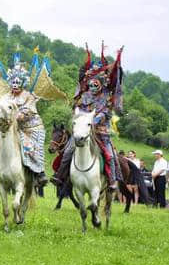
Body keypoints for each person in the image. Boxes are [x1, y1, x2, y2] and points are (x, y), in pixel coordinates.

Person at [52, 45, 124, 192]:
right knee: (67, 152)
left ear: (101, 84)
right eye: (90, 84)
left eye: (95, 84)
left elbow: (107, 113)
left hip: (100, 132)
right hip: (82, 130)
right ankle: (60, 176)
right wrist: (77, 117)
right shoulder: (84, 96)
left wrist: (96, 119)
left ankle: (112, 181)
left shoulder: (106, 96)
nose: (92, 86)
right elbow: (77, 110)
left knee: (110, 156)